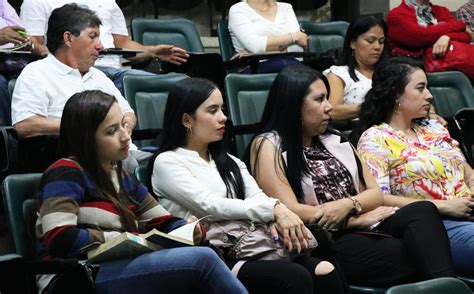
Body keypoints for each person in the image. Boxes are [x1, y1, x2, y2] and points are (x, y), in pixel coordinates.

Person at [248, 64, 456, 287]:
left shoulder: (335, 138)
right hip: (327, 238)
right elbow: (290, 209)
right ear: (294, 105)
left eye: (327, 98)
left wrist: (350, 205)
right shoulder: (269, 145)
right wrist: (351, 221)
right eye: (319, 100)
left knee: (423, 210)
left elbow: (375, 193)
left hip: (368, 222)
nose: (329, 107)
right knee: (421, 250)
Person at [35, 89, 248, 294]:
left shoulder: (120, 174)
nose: (125, 136)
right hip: (75, 277)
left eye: (123, 125)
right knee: (202, 261)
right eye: (111, 131)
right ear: (86, 138)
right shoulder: (65, 172)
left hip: (117, 266)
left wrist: (186, 228)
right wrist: (123, 239)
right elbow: (60, 238)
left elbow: (162, 221)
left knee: (205, 253)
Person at [148, 77, 348, 294]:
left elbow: (257, 196)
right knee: (295, 277)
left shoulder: (229, 161)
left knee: (323, 260)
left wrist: (272, 214)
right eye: (212, 110)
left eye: (223, 109)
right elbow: (210, 205)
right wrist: (273, 209)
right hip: (215, 252)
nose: (223, 117)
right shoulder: (167, 162)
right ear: (187, 120)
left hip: (252, 242)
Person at [356, 57, 474, 276]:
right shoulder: (375, 139)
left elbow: (466, 170)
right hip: (436, 226)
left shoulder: (433, 127)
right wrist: (444, 206)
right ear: (396, 95)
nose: (429, 95)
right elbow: (378, 198)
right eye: (420, 88)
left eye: (427, 87)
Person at [11, 4, 147, 172]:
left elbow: (128, 112)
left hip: (126, 153)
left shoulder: (98, 76)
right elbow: (25, 125)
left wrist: (125, 126)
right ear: (68, 38)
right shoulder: (36, 73)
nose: (101, 46)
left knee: (165, 161)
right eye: (93, 36)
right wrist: (85, 127)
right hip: (79, 161)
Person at [20, 0, 189, 93]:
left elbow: (123, 44)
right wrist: (65, 61)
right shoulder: (36, 2)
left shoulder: (108, 2)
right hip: (73, 68)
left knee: (178, 86)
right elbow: (33, 43)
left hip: (113, 69)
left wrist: (153, 51)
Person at [387, 0, 474, 80]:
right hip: (411, 73)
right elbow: (421, 36)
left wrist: (446, 37)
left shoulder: (442, 11)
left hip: (446, 67)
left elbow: (467, 36)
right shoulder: (396, 15)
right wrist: (459, 25)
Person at [323, 16, 387, 122]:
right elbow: (332, 111)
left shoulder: (388, 73)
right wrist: (371, 107)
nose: (377, 47)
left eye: (381, 41)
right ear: (353, 43)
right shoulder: (339, 74)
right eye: (370, 41)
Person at [228, 0, 307, 73]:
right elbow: (255, 46)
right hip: (254, 69)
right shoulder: (238, 10)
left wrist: (255, 51)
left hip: (292, 65)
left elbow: (297, 48)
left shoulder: (286, 8)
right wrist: (293, 37)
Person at [0, 0, 41, 125]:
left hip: (15, 60)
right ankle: (8, 137)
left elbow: (23, 32)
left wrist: (27, 42)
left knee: (40, 75)